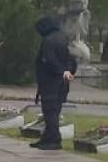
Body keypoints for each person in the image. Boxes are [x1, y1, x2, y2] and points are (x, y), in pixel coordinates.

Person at [32, 16, 76, 151]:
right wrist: (68, 72)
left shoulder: (48, 41)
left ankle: (54, 140)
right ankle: (47, 138)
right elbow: (72, 60)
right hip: (62, 81)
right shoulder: (62, 38)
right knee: (54, 110)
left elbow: (48, 60)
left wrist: (60, 71)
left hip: (50, 81)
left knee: (50, 111)